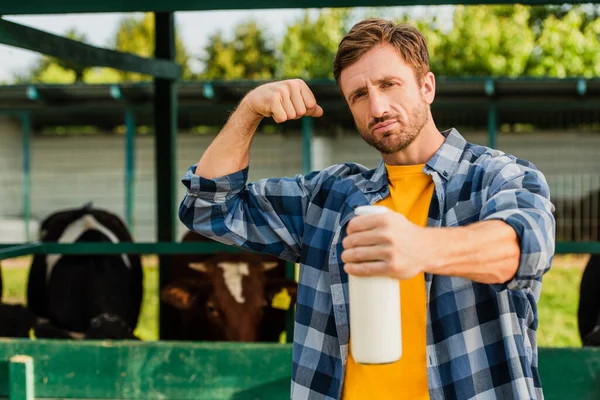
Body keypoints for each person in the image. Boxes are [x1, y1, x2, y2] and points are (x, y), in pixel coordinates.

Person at [179, 18, 555, 400]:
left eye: (389, 84)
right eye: (358, 95)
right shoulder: (328, 197)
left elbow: (528, 248)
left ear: (427, 87)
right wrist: (249, 111)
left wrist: (419, 247)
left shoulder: (497, 175)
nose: (377, 107)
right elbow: (209, 208)